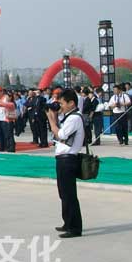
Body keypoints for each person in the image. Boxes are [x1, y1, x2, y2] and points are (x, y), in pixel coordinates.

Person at [45, 89, 84, 239]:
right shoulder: (69, 117)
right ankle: (67, 222)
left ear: (71, 103)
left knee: (69, 194)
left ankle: (75, 228)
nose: (60, 106)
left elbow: (61, 134)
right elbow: (59, 134)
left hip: (68, 160)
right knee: (63, 193)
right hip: (63, 159)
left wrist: (51, 119)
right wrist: (54, 116)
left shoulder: (74, 118)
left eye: (61, 103)